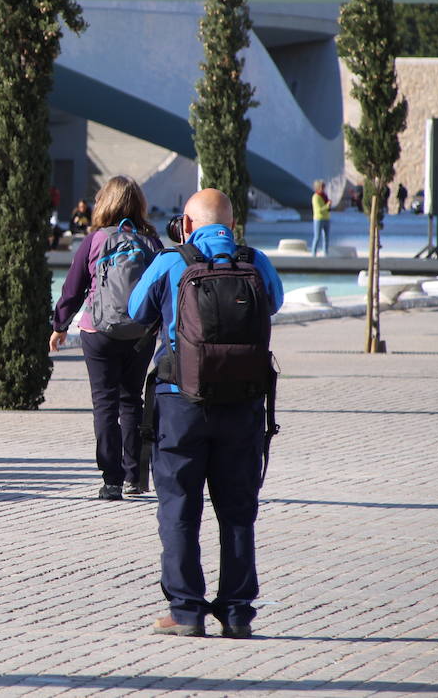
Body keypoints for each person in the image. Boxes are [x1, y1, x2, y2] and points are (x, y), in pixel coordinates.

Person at [127, 189, 283, 639]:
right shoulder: (255, 260)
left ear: (187, 224)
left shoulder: (173, 260)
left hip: (181, 402)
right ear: (231, 224)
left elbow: (137, 311)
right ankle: (236, 611)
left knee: (179, 506)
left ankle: (186, 610)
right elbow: (273, 302)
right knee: (237, 510)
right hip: (244, 404)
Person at [50, 176, 162, 501]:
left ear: (104, 203)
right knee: (132, 402)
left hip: (98, 332)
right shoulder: (151, 242)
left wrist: (59, 325)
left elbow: (72, 288)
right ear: (138, 204)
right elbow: (164, 289)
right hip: (140, 334)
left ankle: (111, 481)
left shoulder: (95, 240)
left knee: (105, 404)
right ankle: (133, 477)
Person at [310, 180, 331, 256]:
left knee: (326, 237)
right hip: (318, 219)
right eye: (322, 187)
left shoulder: (325, 196)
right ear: (318, 187)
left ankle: (326, 252)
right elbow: (318, 209)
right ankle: (313, 253)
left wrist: (328, 206)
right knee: (317, 237)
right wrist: (327, 206)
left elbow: (326, 208)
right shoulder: (316, 197)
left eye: (324, 187)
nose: (323, 188)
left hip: (326, 218)